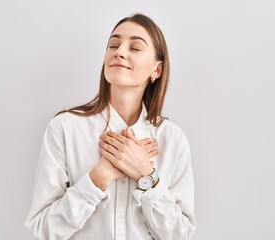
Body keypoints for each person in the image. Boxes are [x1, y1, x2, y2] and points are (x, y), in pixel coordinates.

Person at [25, 13, 197, 240]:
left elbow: (180, 235)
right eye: (113, 44)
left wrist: (146, 175)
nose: (120, 52)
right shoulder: (64, 129)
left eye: (135, 48)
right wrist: (99, 177)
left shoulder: (173, 139)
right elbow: (42, 231)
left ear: (157, 70)